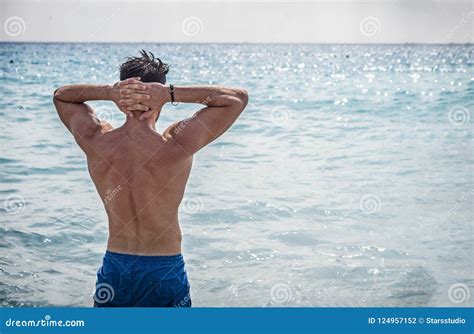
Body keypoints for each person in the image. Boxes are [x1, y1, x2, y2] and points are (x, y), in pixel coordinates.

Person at [53, 50, 248, 307]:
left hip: (115, 268)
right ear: (159, 90)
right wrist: (169, 94)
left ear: (122, 88)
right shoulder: (176, 144)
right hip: (164, 269)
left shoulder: (97, 141)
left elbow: (61, 97)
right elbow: (236, 99)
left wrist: (110, 92)